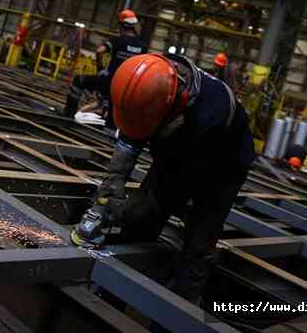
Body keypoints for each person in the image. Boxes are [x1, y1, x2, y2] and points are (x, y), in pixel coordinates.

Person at [71, 53, 256, 307]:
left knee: (199, 237)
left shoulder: (209, 114)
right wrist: (109, 191)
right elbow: (128, 144)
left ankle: (183, 305)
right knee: (140, 226)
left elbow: (173, 183)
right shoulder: (146, 80)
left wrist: (127, 210)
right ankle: (113, 291)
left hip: (224, 164)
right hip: (181, 144)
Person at [62, 9, 148, 128]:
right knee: (113, 107)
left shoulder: (117, 40)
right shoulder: (142, 46)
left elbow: (99, 52)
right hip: (126, 87)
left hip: (109, 81)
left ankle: (68, 115)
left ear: (121, 25)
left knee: (78, 80)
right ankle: (110, 127)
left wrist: (100, 69)